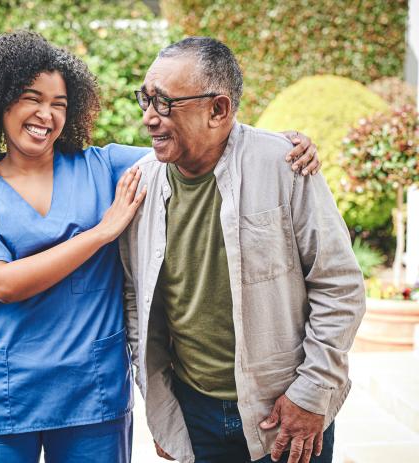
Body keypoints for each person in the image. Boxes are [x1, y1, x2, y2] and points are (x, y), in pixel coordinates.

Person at [0, 31, 321, 463]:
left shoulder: (106, 167)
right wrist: (102, 232)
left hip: (92, 396)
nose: (46, 115)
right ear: (0, 100)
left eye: (59, 104)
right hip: (2, 397)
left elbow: (196, 139)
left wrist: (277, 142)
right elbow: (3, 284)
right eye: (32, 99)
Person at [120, 37, 366, 463]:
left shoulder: (284, 165)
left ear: (219, 109)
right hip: (194, 413)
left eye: (164, 104)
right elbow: (136, 302)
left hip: (286, 409)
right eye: (146, 99)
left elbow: (339, 287)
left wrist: (312, 393)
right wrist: (163, 410)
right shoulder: (139, 183)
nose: (149, 118)